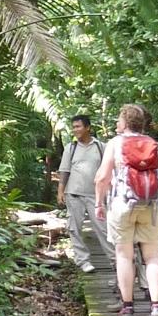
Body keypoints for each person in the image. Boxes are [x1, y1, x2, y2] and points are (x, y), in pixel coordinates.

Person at [95, 104, 158, 316]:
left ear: (125, 122)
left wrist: (98, 203)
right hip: (151, 206)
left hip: (121, 205)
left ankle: (128, 307)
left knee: (124, 256)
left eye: (118, 120)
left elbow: (102, 177)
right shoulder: (153, 145)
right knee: (152, 257)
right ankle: (156, 306)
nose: (116, 124)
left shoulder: (115, 144)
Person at [57, 114, 107, 273]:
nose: (75, 130)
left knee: (103, 228)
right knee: (74, 228)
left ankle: (116, 260)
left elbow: (108, 170)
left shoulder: (101, 147)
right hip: (74, 194)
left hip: (96, 195)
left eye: (78, 126)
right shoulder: (70, 148)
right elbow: (64, 171)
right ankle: (83, 261)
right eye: (74, 127)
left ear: (88, 128)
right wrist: (61, 191)